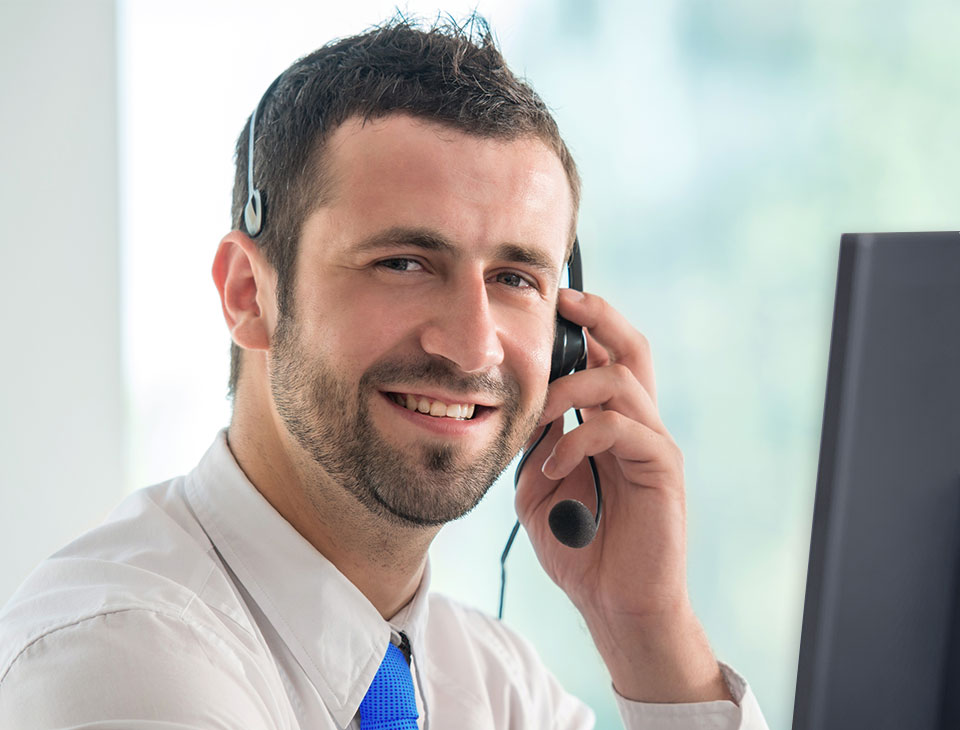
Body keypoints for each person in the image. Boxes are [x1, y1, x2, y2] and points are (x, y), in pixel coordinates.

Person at [0, 17, 769, 730]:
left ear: (569, 337)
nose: (473, 349)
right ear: (249, 294)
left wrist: (646, 627)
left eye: (516, 279)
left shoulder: (501, 687)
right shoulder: (119, 655)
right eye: (403, 263)